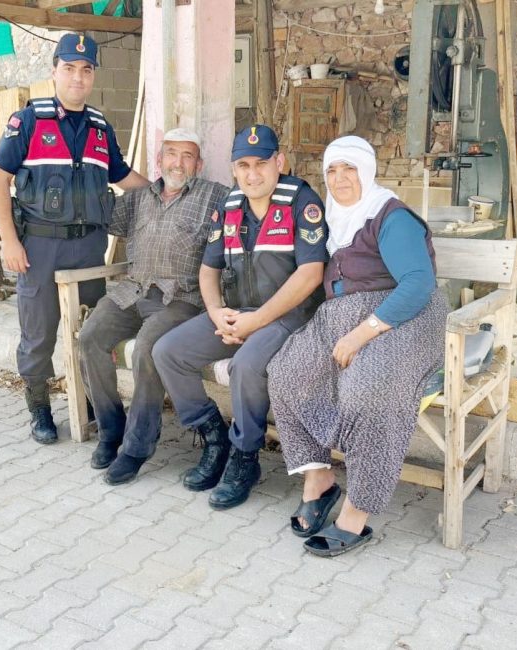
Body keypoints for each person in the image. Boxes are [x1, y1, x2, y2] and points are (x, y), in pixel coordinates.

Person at [267, 135, 448, 557]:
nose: (340, 178)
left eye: (349, 168)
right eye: (332, 170)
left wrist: (362, 333)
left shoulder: (390, 216)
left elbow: (419, 284)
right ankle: (319, 478)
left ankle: (357, 512)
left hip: (402, 318)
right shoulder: (336, 217)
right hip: (344, 316)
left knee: (368, 390)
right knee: (287, 372)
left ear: (366, 171)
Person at [145, 124, 328, 508]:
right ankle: (213, 439)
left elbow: (311, 274)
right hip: (237, 314)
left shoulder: (302, 201)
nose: (252, 173)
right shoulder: (229, 206)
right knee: (167, 352)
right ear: (233, 169)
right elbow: (208, 270)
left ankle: (245, 457)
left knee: (246, 366)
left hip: (289, 318)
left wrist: (255, 320)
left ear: (280, 161)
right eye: (242, 165)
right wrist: (216, 313)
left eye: (261, 163)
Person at [0, 32, 148, 445]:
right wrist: (9, 240)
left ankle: (94, 399)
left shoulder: (99, 127)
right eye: (69, 68)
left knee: (92, 328)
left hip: (89, 247)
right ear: (55, 71)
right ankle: (40, 407)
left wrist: (160, 192)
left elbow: (122, 176)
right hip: (40, 246)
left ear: (93, 75)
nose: (78, 77)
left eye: (86, 70)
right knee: (39, 331)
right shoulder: (27, 121)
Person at [78, 129, 230, 480]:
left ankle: (136, 447)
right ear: (159, 161)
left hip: (182, 298)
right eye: (172, 154)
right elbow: (101, 218)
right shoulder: (137, 198)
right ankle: (111, 431)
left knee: (147, 347)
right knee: (90, 337)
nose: (179, 162)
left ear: (199, 164)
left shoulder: (216, 197)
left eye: (188, 155)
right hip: (132, 291)